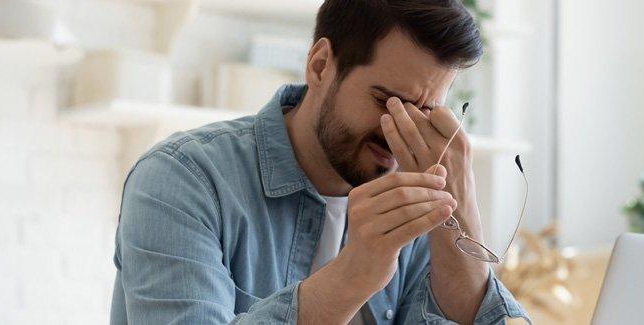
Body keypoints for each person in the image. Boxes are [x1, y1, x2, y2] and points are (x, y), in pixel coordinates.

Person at [109, 0, 528, 323]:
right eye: (388, 100)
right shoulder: (182, 180)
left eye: (426, 112)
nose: (400, 130)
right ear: (320, 65)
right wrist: (355, 271)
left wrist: (463, 217)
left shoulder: (421, 202)